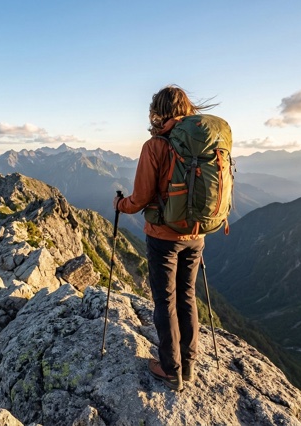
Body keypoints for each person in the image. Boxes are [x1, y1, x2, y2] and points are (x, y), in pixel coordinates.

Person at [113, 85, 217, 392]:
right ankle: (189, 364)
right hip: (196, 234)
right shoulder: (203, 143)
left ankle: (171, 370)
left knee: (166, 301)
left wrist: (121, 205)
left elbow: (142, 197)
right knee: (187, 296)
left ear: (158, 112)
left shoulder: (155, 145)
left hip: (164, 237)